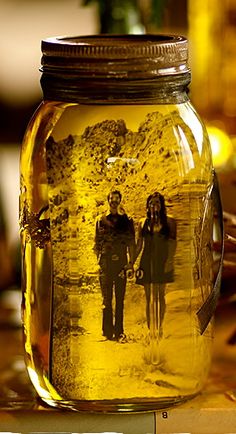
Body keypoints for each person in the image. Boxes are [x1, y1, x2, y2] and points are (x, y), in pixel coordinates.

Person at [94, 190, 135, 342]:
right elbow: (96, 242)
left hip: (121, 264)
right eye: (112, 199)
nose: (114, 201)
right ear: (108, 200)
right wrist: (98, 260)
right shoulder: (100, 220)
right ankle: (107, 332)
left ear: (120, 201)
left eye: (117, 199)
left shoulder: (126, 220)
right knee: (106, 299)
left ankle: (119, 332)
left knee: (119, 299)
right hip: (105, 264)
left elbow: (131, 242)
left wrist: (130, 264)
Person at [135, 192, 176, 338]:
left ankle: (159, 327)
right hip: (146, 260)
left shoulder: (170, 221)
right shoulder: (142, 222)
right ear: (147, 206)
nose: (154, 205)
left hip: (162, 260)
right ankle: (150, 329)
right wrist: (131, 262)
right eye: (151, 203)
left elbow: (172, 243)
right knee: (148, 297)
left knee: (160, 295)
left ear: (161, 205)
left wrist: (170, 262)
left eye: (157, 202)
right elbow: (139, 244)